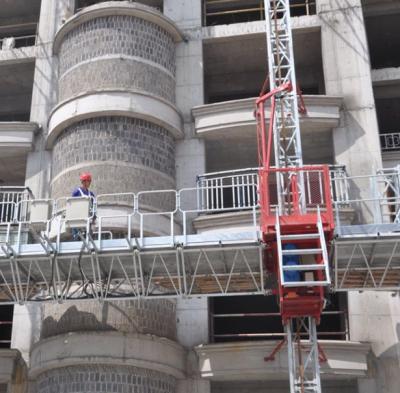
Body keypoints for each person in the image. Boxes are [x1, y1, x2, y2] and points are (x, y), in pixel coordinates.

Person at [71, 172, 95, 240]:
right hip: (78, 217)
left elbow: (93, 207)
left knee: (89, 236)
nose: (88, 183)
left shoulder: (91, 194)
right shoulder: (77, 192)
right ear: (83, 182)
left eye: (89, 181)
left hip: (87, 218)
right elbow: (72, 205)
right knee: (77, 237)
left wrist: (94, 217)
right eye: (87, 181)